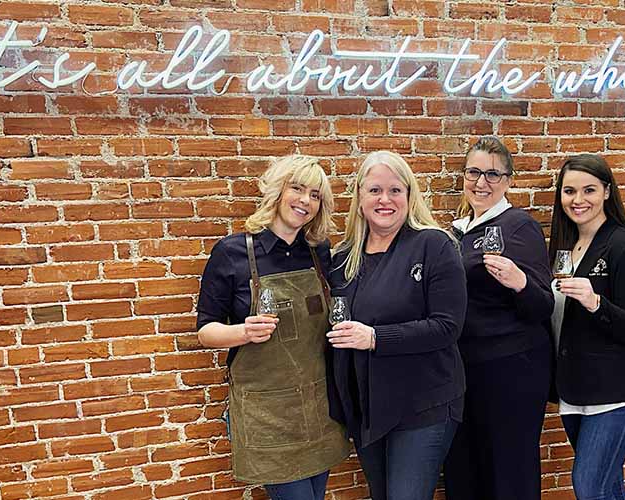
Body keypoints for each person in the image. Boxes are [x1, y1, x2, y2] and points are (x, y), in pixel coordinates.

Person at [195, 155, 350, 500]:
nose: (304, 201)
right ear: (277, 191)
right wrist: (243, 333)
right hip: (268, 414)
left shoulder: (318, 253)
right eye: (297, 189)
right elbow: (206, 331)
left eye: (314, 195)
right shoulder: (232, 252)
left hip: (318, 406)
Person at [326, 150, 467, 500]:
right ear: (360, 197)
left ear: (409, 196)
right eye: (374, 190)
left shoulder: (434, 245)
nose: (384, 199)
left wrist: (375, 338)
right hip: (367, 408)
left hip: (424, 403)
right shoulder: (343, 258)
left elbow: (447, 327)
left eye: (394, 190)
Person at [443, 137, 554, 500]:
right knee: (466, 467)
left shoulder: (519, 226)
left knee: (509, 471)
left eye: (493, 174)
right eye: (474, 172)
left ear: (508, 181)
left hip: (511, 369)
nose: (481, 182)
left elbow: (543, 305)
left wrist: (520, 282)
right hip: (467, 369)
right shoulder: (456, 232)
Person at [548, 154, 625, 500]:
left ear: (607, 192)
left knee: (589, 485)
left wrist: (596, 303)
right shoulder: (565, 248)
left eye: (589, 190)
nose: (578, 200)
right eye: (569, 191)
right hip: (575, 387)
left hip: (616, 391)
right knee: (608, 485)